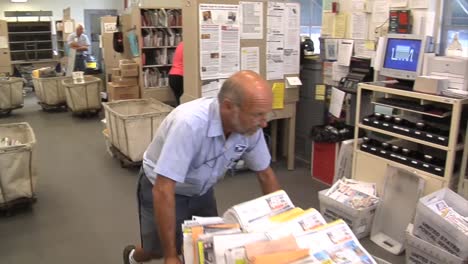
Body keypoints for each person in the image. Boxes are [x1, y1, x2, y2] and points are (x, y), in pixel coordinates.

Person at [123, 70, 281, 264]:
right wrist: (171, 256)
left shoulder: (251, 128)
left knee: (207, 244)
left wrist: (282, 220)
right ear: (228, 107)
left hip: (200, 188)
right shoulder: (189, 124)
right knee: (158, 250)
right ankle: (133, 257)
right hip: (162, 186)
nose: (264, 123)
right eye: (257, 115)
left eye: (266, 114)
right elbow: (164, 189)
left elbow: (265, 175)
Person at [168, 42, 184, 106]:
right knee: (185, 102)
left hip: (172, 74)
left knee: (179, 101)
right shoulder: (190, 45)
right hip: (180, 76)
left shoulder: (181, 44)